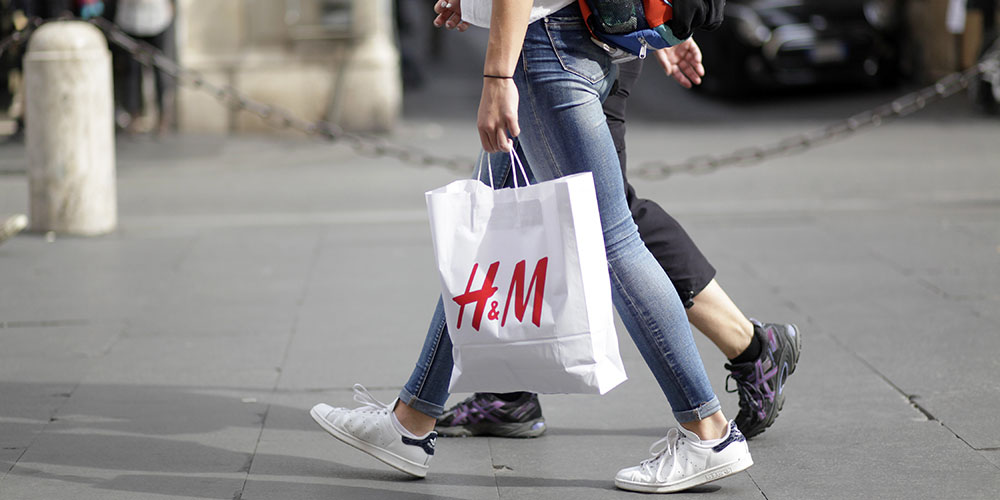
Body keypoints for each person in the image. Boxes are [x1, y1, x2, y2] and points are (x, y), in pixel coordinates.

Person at [310, 0, 755, 493]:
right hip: (579, 41)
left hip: (547, 50)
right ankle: (410, 423)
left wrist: (497, 78)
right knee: (484, 246)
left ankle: (708, 432)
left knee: (614, 244)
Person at [432, 23, 802, 441]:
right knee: (528, 205)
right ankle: (504, 391)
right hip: (575, 37)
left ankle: (749, 351)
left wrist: (496, 77)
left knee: (607, 219)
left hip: (564, 44)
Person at [112, 0, 175, 135]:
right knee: (132, 71)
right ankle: (134, 114)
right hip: (130, 18)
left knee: (160, 68)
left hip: (156, 17)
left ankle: (162, 114)